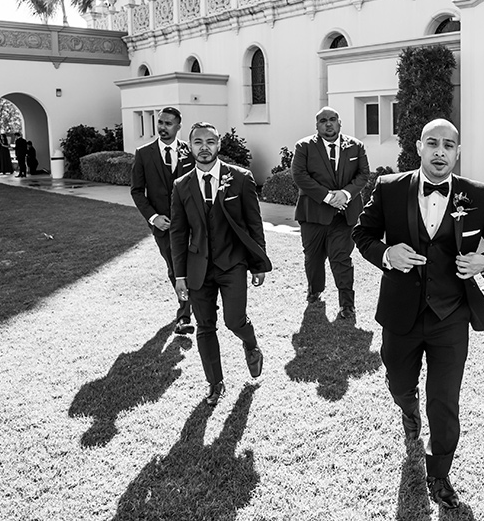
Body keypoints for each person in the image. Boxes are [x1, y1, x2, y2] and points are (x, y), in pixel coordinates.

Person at [352, 119, 484, 510]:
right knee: (398, 380)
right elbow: (363, 233)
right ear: (420, 147)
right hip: (400, 312)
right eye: (433, 144)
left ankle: (439, 473)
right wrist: (387, 255)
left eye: (449, 145)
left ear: (457, 152)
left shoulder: (476, 193)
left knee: (444, 399)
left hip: (451, 315)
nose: (440, 152)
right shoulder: (388, 189)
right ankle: (408, 411)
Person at [170, 122, 272, 406]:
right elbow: (178, 234)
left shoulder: (240, 179)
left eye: (210, 141)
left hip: (233, 264)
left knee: (234, 320)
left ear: (219, 145)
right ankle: (215, 384)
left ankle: (250, 344)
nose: (204, 147)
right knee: (205, 326)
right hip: (197, 268)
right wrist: (180, 276)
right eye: (198, 142)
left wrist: (259, 263)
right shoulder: (181, 186)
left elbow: (254, 223)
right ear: (190, 147)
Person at [291, 106, 370, 319]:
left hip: (345, 216)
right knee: (313, 258)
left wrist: (345, 194)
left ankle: (347, 304)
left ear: (339, 122)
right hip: (313, 214)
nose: (329, 123)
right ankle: (315, 290)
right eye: (323, 120)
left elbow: (363, 175)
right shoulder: (304, 147)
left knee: (341, 257)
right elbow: (299, 175)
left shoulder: (356, 146)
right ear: (317, 125)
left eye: (332, 119)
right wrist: (328, 197)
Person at [131, 107, 197, 336]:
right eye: (160, 122)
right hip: (164, 226)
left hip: (192, 224)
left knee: (195, 265)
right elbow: (137, 191)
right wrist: (153, 217)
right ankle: (185, 313)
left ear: (179, 126)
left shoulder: (190, 153)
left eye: (169, 124)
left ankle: (192, 307)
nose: (162, 127)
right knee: (175, 268)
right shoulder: (143, 153)